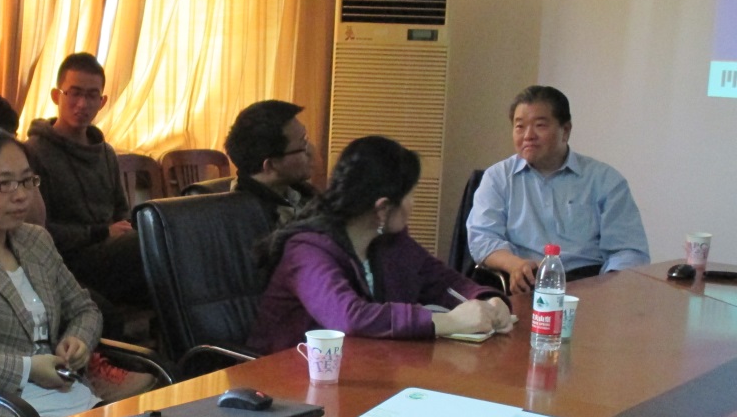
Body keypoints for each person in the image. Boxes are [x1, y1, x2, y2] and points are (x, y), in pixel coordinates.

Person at [0, 127, 152, 417]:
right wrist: (26, 368)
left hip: (69, 397)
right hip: (0, 413)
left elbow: (85, 309)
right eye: (4, 184)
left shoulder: (35, 240)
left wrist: (78, 339)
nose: (21, 195)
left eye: (27, 181)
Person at [249, 135, 512, 352]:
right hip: (287, 377)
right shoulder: (306, 251)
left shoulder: (389, 241)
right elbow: (349, 317)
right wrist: (448, 321)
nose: (413, 204)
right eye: (410, 195)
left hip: (359, 366)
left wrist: (487, 299)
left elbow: (442, 281)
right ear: (383, 208)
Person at [466, 85, 650, 294]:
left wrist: (606, 291)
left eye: (540, 125)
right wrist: (514, 264)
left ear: (566, 130)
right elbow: (482, 237)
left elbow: (628, 250)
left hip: (587, 284)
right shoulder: (497, 177)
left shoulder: (605, 180)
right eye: (520, 127)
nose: (528, 135)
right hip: (522, 281)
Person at [26, 53, 148, 311]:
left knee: (163, 251)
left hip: (110, 253)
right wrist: (101, 233)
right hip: (66, 260)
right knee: (143, 250)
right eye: (74, 93)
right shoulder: (34, 152)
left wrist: (123, 229)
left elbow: (121, 210)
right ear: (57, 96)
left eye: (92, 96)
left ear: (102, 102)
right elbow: (37, 228)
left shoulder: (106, 153)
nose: (82, 104)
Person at [223, 100, 317, 227]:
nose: (310, 151)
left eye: (306, 139)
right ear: (271, 165)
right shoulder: (248, 220)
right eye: (303, 146)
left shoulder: (299, 192)